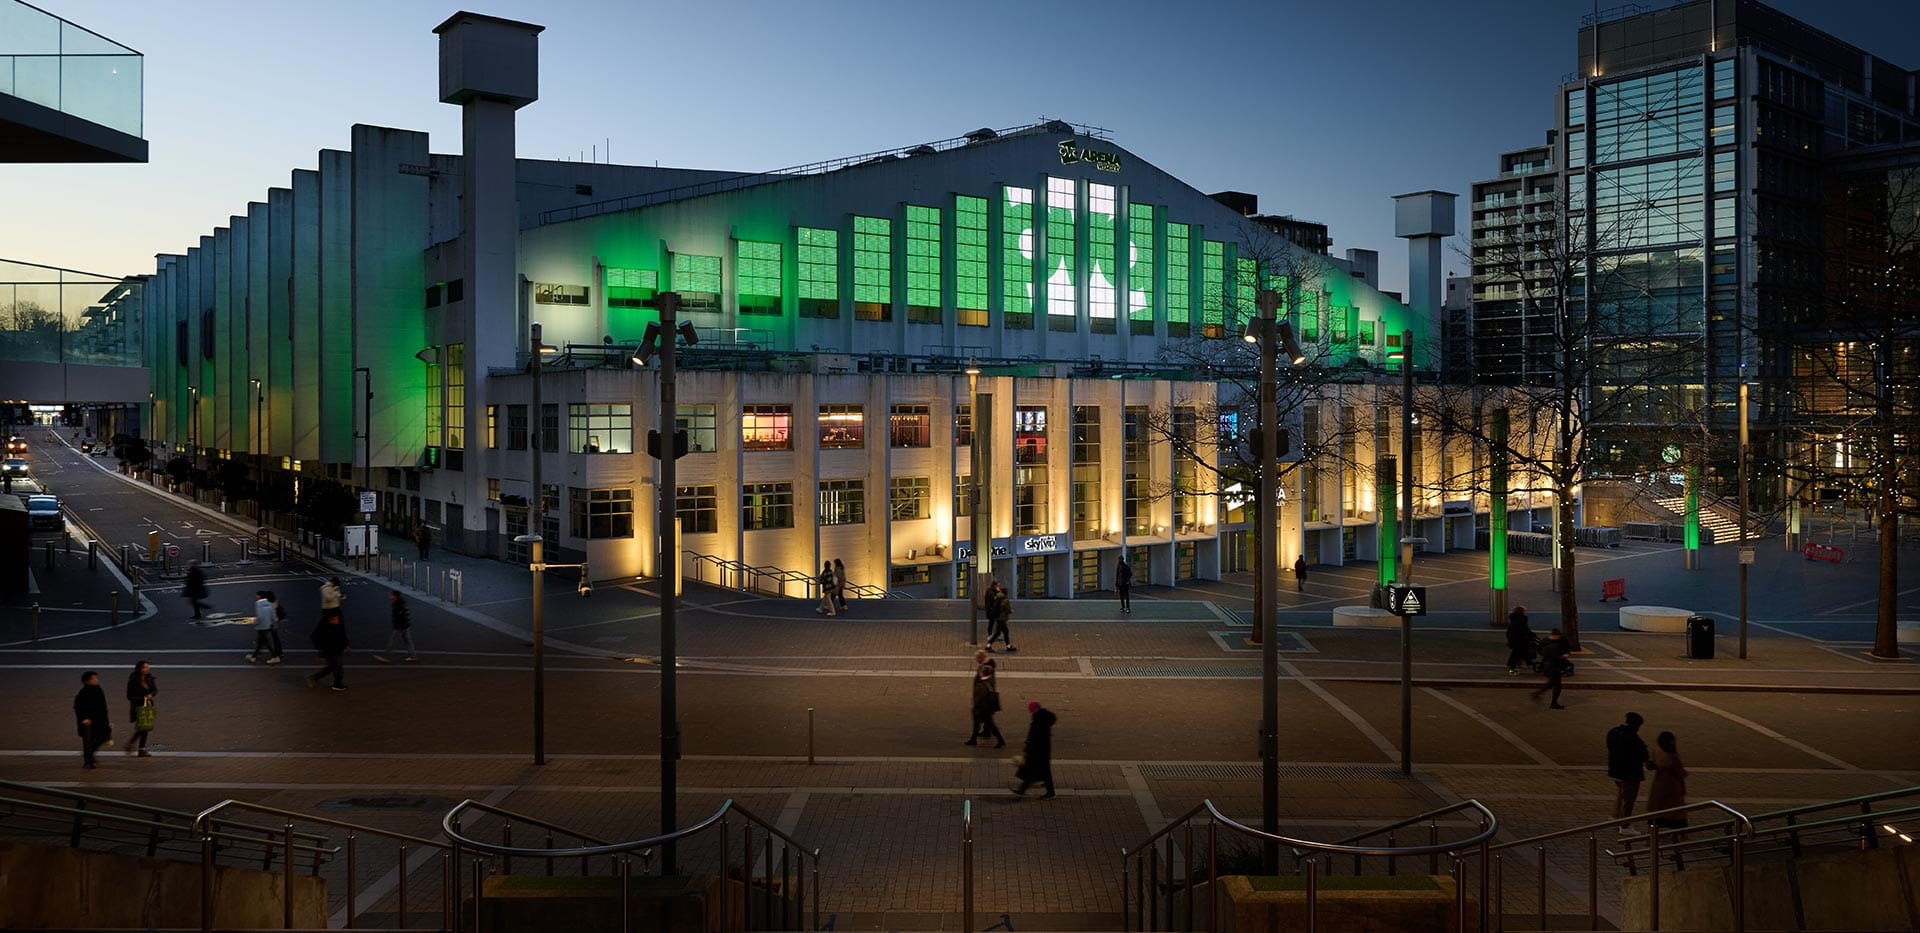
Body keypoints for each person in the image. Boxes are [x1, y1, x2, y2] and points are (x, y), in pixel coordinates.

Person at [1646, 731, 1690, 862]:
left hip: (1658, 786)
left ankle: (1651, 841)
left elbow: (1650, 764)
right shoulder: (1672, 756)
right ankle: (1680, 844)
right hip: (1672, 788)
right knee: (1677, 817)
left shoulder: (1657, 751)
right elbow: (1681, 773)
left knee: (1657, 815)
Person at [1606, 712, 1651, 832]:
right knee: (1629, 799)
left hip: (1615, 770)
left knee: (1621, 794)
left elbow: (1609, 746)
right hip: (1630, 773)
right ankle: (1625, 825)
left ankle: (1615, 816)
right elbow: (1643, 755)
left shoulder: (1614, 732)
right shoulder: (1632, 737)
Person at [1012, 700, 1057, 798]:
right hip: (1043, 749)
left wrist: (1027, 748)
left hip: (1037, 750)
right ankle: (1023, 789)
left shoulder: (1038, 719)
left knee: (1035, 770)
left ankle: (1049, 792)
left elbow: (1034, 736)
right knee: (1039, 770)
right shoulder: (1045, 717)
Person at [74, 671, 111, 769]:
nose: (96, 680)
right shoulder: (83, 693)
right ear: (87, 681)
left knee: (104, 737)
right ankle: (88, 762)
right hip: (88, 722)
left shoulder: (98, 689)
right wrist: (84, 719)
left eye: (96, 678)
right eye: (93, 679)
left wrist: (106, 719)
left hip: (100, 720)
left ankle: (90, 754)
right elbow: (78, 707)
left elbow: (103, 706)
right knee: (88, 741)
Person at [966, 655, 1005, 747]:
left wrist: (976, 706)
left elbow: (979, 697)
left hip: (982, 709)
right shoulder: (987, 682)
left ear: (983, 674)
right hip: (985, 709)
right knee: (983, 725)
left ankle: (1000, 741)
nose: (979, 673)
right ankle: (973, 739)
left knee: (988, 725)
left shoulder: (983, 684)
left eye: (981, 672)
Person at [307, 611, 350, 691]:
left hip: (337, 649)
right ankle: (337, 684)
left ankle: (314, 677)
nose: (337, 621)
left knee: (333, 667)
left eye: (337, 619)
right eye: (334, 619)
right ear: (329, 620)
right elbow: (321, 642)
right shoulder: (325, 630)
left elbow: (342, 635)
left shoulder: (337, 626)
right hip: (331, 651)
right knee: (337, 667)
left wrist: (346, 644)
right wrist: (322, 655)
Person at [125, 661, 157, 757]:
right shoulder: (133, 680)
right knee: (142, 727)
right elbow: (129, 696)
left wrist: (151, 694)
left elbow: (155, 689)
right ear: (140, 668)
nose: (147, 669)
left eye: (148, 667)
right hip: (138, 707)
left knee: (145, 728)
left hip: (148, 706)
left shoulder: (149, 678)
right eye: (145, 667)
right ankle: (133, 744)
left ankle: (141, 749)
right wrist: (143, 697)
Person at [376, 590, 417, 663]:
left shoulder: (398, 605)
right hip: (405, 626)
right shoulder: (401, 603)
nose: (390, 596)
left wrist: (398, 626)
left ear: (395, 596)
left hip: (400, 627)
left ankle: (387, 656)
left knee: (392, 642)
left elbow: (400, 617)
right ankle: (413, 656)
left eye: (391, 595)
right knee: (408, 641)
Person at [1532, 628, 1569, 709]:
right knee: (1557, 685)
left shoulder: (1544, 641)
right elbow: (1555, 657)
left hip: (1546, 665)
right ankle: (1553, 703)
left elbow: (1540, 651)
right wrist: (1563, 656)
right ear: (1556, 636)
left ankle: (1538, 694)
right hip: (1553, 666)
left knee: (1551, 683)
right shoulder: (1554, 645)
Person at [247, 589, 284, 664]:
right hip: (269, 624)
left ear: (260, 596)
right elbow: (272, 614)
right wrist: (274, 623)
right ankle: (254, 656)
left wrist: (256, 623)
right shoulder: (269, 603)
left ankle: (274, 657)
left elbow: (259, 616)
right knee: (263, 641)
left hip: (262, 626)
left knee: (265, 642)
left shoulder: (258, 603)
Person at [985, 580, 1016, 652]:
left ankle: (990, 645)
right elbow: (1006, 608)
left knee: (998, 632)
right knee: (1003, 632)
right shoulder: (1003, 599)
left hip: (997, 616)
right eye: (998, 585)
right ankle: (1007, 646)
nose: (999, 587)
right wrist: (1010, 611)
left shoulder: (998, 596)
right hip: (1001, 617)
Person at [1505, 605, 1536, 674]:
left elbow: (1510, 631)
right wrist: (1531, 635)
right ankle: (1512, 669)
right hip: (1519, 640)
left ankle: (1528, 663)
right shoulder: (1521, 619)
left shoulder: (1514, 619)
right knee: (1517, 653)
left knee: (1520, 652)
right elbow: (1524, 629)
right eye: (1524, 611)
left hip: (1514, 639)